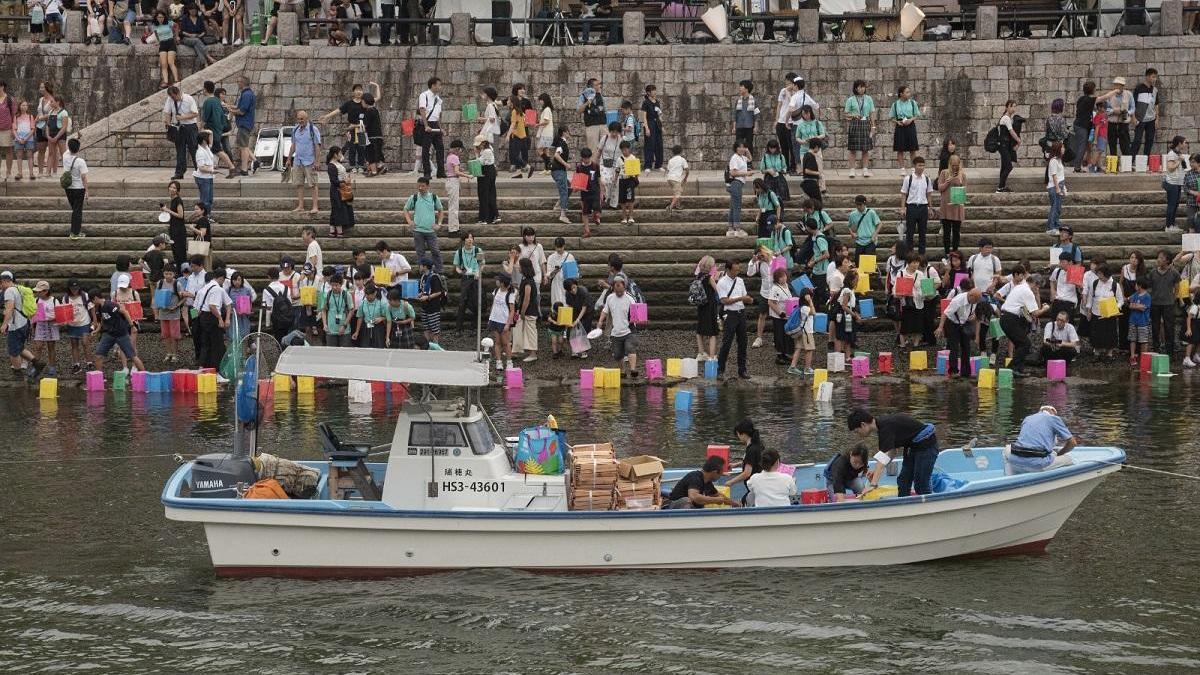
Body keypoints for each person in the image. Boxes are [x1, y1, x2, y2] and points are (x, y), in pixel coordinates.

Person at [847, 408, 939, 497]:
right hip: (912, 447)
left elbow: (883, 457)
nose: (858, 434)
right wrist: (876, 472)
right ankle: (903, 506)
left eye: (857, 431)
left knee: (921, 483)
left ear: (863, 425)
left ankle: (928, 507)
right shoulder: (881, 427)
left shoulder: (885, 427)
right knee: (903, 481)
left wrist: (873, 484)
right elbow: (892, 452)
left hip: (927, 446)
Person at [999, 264, 1050, 376]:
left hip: (1006, 318)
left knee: (1020, 344)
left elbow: (1023, 309)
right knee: (1025, 344)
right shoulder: (1027, 291)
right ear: (1035, 284)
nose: (1037, 290)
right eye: (1038, 287)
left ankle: (1019, 369)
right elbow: (1035, 313)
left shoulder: (1019, 286)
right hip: (1010, 319)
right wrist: (1045, 309)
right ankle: (1011, 368)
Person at [1007, 406, 1077, 475]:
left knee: (1007, 449)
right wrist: (1060, 454)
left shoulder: (1027, 418)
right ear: (1053, 411)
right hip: (1037, 465)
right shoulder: (1053, 418)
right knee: (1068, 459)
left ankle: (1009, 477)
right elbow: (1072, 443)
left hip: (1014, 462)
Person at [89, 288, 145, 374]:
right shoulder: (99, 308)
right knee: (98, 355)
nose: (92, 303)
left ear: (95, 298)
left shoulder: (110, 305)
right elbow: (103, 320)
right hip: (108, 334)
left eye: (92, 300)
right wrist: (97, 330)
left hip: (121, 333)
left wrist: (132, 326)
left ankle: (145, 375)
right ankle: (99, 379)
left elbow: (125, 312)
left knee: (132, 356)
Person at [1, 271, 43, 380]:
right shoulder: (18, 288)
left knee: (13, 351)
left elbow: (9, 308)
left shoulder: (9, 291)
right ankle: (37, 364)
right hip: (24, 322)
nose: (1, 285)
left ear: (6, 281)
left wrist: (4, 324)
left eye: (1, 283)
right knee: (19, 348)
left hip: (16, 325)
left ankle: (18, 374)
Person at [716, 259, 753, 380]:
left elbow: (744, 296)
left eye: (738, 270)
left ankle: (742, 370)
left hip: (740, 312)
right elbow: (724, 300)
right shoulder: (721, 283)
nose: (737, 272)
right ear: (728, 269)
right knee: (727, 342)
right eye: (735, 270)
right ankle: (720, 370)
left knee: (743, 342)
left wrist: (748, 299)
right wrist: (741, 298)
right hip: (729, 314)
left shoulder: (740, 281)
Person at [596, 274, 638, 378]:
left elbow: (636, 312)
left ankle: (633, 370)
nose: (619, 291)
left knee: (630, 348)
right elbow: (605, 311)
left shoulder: (630, 298)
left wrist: (639, 319)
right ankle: (623, 371)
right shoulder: (610, 298)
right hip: (616, 331)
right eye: (616, 288)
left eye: (620, 288)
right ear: (613, 287)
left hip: (629, 329)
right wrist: (600, 322)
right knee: (618, 354)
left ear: (624, 286)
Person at [936, 283, 981, 378]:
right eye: (975, 300)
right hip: (952, 323)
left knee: (966, 347)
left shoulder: (975, 301)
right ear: (970, 295)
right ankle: (953, 371)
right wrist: (940, 327)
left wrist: (973, 316)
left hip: (964, 323)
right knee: (954, 347)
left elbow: (974, 315)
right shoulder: (958, 300)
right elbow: (945, 313)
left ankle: (966, 372)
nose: (976, 302)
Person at [403, 177, 444, 274]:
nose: (420, 188)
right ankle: (423, 272)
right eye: (419, 186)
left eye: (423, 186)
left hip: (430, 231)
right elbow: (406, 209)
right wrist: (409, 221)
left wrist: (439, 224)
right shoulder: (414, 197)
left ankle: (439, 271)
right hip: (418, 231)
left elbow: (441, 210)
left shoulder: (434, 197)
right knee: (420, 253)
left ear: (428, 186)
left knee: (435, 251)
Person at [664, 456, 737, 509]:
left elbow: (720, 496)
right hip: (675, 507)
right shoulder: (695, 477)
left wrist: (735, 504)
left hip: (691, 509)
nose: (721, 476)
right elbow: (694, 497)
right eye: (720, 473)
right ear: (714, 472)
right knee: (686, 501)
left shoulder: (707, 482)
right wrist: (715, 500)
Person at [1084, 263, 1123, 359]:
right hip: (1096, 312)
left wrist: (1115, 308)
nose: (1099, 276)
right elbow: (1090, 297)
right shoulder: (1095, 283)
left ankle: (1109, 353)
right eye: (1098, 274)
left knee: (1110, 333)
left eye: (1101, 274)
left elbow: (1120, 300)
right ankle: (1096, 352)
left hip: (1109, 314)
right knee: (1096, 333)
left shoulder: (1115, 285)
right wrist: (1088, 310)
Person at [1148, 249, 1182, 357]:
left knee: (1169, 328)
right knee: (1155, 327)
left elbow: (1177, 288)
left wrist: (1173, 298)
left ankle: (1170, 352)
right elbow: (1149, 287)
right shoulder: (1153, 272)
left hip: (1168, 304)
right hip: (1155, 304)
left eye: (1161, 258)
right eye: (1158, 257)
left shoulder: (1174, 272)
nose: (1159, 259)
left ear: (1167, 261)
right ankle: (1156, 350)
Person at [899, 157, 934, 255]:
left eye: (923, 165)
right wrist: (903, 208)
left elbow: (929, 194)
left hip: (923, 207)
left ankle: (921, 255)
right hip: (911, 207)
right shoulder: (908, 179)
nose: (921, 167)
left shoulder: (927, 179)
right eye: (919, 165)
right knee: (910, 233)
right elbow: (904, 193)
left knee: (922, 233)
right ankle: (909, 255)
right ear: (914, 166)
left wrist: (930, 208)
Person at [723, 418, 764, 495]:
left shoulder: (751, 449)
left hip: (754, 488)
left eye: (738, 435)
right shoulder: (758, 444)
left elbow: (747, 473)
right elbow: (752, 461)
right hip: (760, 484)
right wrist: (736, 464)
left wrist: (731, 482)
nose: (738, 437)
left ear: (742, 434)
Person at [844, 79, 875, 178]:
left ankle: (865, 169)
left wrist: (873, 126)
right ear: (855, 88)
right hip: (855, 123)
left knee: (865, 148)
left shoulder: (869, 99)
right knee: (852, 148)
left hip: (866, 123)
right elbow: (846, 114)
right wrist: (853, 116)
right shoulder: (851, 100)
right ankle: (852, 169)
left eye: (862, 87)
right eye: (859, 87)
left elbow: (872, 113)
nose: (861, 89)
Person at [453, 232, 483, 331]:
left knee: (476, 302)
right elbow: (457, 267)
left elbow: (482, 264)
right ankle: (458, 328)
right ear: (464, 240)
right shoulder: (459, 252)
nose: (470, 240)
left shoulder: (478, 250)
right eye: (467, 238)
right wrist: (461, 272)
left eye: (471, 238)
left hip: (475, 278)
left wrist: (478, 272)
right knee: (462, 302)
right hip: (465, 278)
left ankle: (474, 327)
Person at [512, 257, 540, 363]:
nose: (518, 267)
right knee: (518, 329)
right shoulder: (526, 280)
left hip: (529, 311)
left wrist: (522, 311)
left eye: (520, 266)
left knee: (530, 332)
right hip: (526, 310)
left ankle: (533, 353)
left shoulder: (528, 282)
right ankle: (516, 350)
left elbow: (527, 298)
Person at [416, 77, 444, 180]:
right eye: (439, 85)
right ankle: (427, 172)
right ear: (433, 85)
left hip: (435, 124)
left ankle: (441, 172)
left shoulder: (438, 98)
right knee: (426, 149)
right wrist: (426, 125)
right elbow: (422, 110)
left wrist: (440, 128)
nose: (440, 87)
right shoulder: (424, 95)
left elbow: (437, 115)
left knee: (440, 148)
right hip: (426, 124)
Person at [937, 153, 966, 255]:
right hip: (946, 206)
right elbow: (940, 188)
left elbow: (964, 190)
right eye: (953, 165)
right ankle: (946, 252)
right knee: (946, 231)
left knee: (956, 232)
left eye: (956, 165)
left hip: (957, 205)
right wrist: (947, 182)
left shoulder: (962, 174)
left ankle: (955, 252)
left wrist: (960, 182)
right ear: (949, 164)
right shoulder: (944, 173)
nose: (954, 167)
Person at [693, 256, 719, 361]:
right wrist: (716, 279)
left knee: (700, 330)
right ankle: (712, 356)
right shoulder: (709, 278)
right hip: (710, 306)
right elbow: (718, 291)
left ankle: (701, 353)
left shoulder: (698, 276)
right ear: (710, 266)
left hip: (701, 306)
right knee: (712, 332)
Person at [229, 76, 257, 176]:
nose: (237, 83)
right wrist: (228, 106)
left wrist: (230, 111)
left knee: (243, 147)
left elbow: (241, 111)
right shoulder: (247, 94)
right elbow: (238, 107)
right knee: (243, 144)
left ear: (242, 83)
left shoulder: (246, 95)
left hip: (244, 123)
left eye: (238, 82)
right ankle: (255, 161)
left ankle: (244, 169)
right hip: (246, 123)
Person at [61, 138, 88, 240]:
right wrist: (87, 191)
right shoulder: (80, 162)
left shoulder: (65, 157)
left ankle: (77, 230)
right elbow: (84, 177)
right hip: (79, 188)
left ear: (69, 147)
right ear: (78, 149)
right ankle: (74, 233)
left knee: (75, 209)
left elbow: (69, 149)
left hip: (68, 188)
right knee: (77, 211)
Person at [487, 273, 515, 368]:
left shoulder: (510, 294)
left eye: (498, 280)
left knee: (506, 343)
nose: (496, 281)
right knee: (497, 342)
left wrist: (508, 324)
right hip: (495, 319)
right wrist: (490, 317)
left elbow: (512, 311)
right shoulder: (496, 291)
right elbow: (493, 305)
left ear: (503, 283)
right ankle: (499, 361)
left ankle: (509, 361)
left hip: (504, 321)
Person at [726, 142, 753, 237]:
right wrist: (746, 173)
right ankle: (737, 229)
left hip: (738, 184)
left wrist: (747, 150)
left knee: (733, 206)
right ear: (736, 148)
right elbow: (733, 173)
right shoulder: (735, 158)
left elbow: (750, 159)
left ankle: (730, 229)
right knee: (737, 206)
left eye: (743, 147)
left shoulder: (742, 157)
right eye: (740, 147)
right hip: (735, 183)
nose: (742, 149)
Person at [1131, 68, 1159, 158]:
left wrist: (1157, 118)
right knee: (1137, 140)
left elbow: (1156, 104)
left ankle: (1145, 161)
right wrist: (1133, 117)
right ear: (1147, 77)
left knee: (1150, 140)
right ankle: (1131, 160)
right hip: (1140, 118)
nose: (1155, 79)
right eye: (1153, 77)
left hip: (1151, 119)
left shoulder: (1155, 90)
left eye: (1156, 77)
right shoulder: (1139, 88)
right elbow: (1133, 103)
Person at [326, 146, 354, 238]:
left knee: (336, 209)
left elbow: (344, 150)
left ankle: (332, 231)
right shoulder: (331, 166)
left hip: (341, 189)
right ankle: (339, 232)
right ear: (335, 154)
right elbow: (333, 181)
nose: (341, 155)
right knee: (338, 210)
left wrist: (348, 142)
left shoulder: (336, 163)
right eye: (339, 153)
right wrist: (344, 182)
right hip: (337, 191)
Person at [889, 85, 920, 169]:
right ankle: (902, 168)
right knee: (900, 148)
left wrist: (911, 120)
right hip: (900, 126)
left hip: (910, 126)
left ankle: (913, 167)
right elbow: (891, 117)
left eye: (909, 92)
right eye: (907, 92)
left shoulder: (913, 103)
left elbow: (917, 115)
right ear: (901, 94)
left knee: (912, 148)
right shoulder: (895, 104)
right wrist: (897, 122)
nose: (909, 94)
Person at [1163, 136, 1189, 234]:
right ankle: (1168, 226)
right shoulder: (1171, 154)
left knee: (1175, 205)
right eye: (1184, 142)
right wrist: (1179, 160)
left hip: (1177, 183)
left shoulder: (1178, 153)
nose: (1185, 144)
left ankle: (1172, 224)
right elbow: (1170, 168)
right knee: (1171, 205)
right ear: (1179, 143)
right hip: (1172, 183)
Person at [416, 258, 444, 344]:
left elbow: (438, 292)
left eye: (420, 265)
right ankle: (426, 345)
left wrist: (428, 297)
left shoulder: (434, 277)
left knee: (434, 329)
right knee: (426, 327)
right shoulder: (423, 277)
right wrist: (420, 295)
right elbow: (423, 290)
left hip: (433, 307)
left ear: (425, 267)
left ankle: (435, 346)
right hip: (424, 307)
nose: (419, 267)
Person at [474, 135, 500, 225]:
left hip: (487, 172)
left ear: (484, 143)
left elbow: (479, 162)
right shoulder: (486, 150)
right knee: (488, 194)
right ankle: (490, 216)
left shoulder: (487, 151)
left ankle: (486, 217)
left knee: (485, 194)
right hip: (488, 172)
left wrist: (476, 154)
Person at [577, 78, 607, 157]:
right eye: (596, 85)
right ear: (591, 86)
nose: (599, 86)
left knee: (606, 147)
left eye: (599, 84)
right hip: (591, 125)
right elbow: (579, 111)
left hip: (602, 124)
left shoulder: (600, 95)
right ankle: (594, 168)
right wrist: (587, 102)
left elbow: (604, 108)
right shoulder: (583, 96)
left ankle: (604, 168)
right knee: (593, 149)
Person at [548, 126, 572, 224]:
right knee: (564, 191)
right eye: (568, 132)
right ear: (565, 132)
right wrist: (566, 164)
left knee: (569, 187)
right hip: (559, 170)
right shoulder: (562, 143)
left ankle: (558, 205)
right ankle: (563, 215)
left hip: (558, 170)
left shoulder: (562, 142)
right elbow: (556, 155)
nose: (569, 134)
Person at [150, 11, 179, 89]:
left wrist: (176, 36)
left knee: (170, 62)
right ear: (156, 18)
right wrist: (158, 41)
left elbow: (176, 26)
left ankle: (176, 80)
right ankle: (166, 82)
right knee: (164, 64)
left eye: (162, 17)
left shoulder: (169, 22)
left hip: (170, 42)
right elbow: (156, 34)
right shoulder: (154, 26)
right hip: (162, 44)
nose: (161, 19)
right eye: (159, 17)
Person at [445, 139, 469, 231]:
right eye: (460, 150)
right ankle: (453, 229)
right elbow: (456, 172)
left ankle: (455, 227)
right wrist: (468, 175)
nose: (461, 152)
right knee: (454, 207)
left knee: (453, 206)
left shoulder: (449, 157)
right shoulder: (455, 157)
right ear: (457, 149)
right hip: (453, 181)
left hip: (450, 181)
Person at [1106, 76, 1134, 158]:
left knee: (1125, 145)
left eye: (1119, 85)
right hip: (1112, 123)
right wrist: (1114, 111)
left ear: (1123, 86)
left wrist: (1126, 112)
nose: (1117, 87)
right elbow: (1106, 110)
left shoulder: (1129, 94)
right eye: (1116, 85)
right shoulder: (1110, 95)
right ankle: (1114, 166)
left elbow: (1132, 108)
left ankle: (1127, 165)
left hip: (1123, 123)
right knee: (1112, 145)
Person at [1048, 251, 1080, 321]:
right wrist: (1053, 291)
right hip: (1057, 301)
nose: (1060, 264)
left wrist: (1078, 284)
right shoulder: (1057, 271)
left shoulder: (1076, 271)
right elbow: (1051, 280)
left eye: (1063, 262)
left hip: (1069, 302)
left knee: (1067, 324)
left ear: (1070, 262)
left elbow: (1080, 289)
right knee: (1054, 322)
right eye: (1060, 261)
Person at [575, 148, 600, 238]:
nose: (586, 160)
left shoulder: (595, 166)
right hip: (584, 193)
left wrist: (602, 191)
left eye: (588, 158)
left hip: (595, 191)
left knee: (596, 207)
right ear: (582, 158)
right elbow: (577, 181)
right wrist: (576, 188)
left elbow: (599, 179)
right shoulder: (579, 167)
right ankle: (587, 231)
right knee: (585, 212)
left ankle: (596, 216)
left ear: (590, 157)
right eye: (584, 158)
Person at [995, 99, 1019, 193]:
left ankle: (1002, 187)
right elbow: (1011, 132)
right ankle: (1000, 187)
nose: (1014, 108)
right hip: (1003, 146)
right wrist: (1018, 140)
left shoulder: (1008, 118)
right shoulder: (1006, 118)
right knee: (1009, 167)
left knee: (1004, 167)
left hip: (1004, 145)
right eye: (1012, 106)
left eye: (1015, 106)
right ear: (1007, 107)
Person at [1127, 276, 1152, 365]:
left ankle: (1143, 358)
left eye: (1136, 285)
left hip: (1143, 322)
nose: (1135, 286)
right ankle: (1132, 356)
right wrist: (1137, 306)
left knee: (1143, 341)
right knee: (1132, 339)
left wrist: (1135, 305)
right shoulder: (1135, 294)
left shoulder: (1147, 296)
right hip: (1133, 321)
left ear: (1140, 285)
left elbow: (1143, 308)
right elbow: (1130, 305)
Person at [732, 79, 758, 156]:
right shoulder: (738, 100)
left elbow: (756, 115)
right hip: (739, 126)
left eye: (741, 86)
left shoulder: (754, 100)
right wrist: (734, 127)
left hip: (749, 126)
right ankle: (738, 162)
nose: (740, 88)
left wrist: (756, 127)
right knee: (738, 145)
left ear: (747, 88)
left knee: (749, 145)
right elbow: (735, 114)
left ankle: (749, 163)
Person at [1045, 141, 1066, 235]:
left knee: (1058, 208)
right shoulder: (1053, 161)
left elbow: (1061, 175)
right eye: (1062, 147)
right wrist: (1057, 188)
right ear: (1058, 149)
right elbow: (1054, 175)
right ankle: (1051, 227)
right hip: (1054, 186)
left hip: (1060, 185)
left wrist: (1063, 188)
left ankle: (1056, 225)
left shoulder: (1059, 160)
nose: (1063, 149)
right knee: (1055, 207)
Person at [194, 130, 216, 217]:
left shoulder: (206, 148)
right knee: (205, 200)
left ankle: (208, 216)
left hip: (209, 177)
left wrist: (210, 133)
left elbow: (211, 141)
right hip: (203, 178)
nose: (209, 140)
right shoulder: (200, 152)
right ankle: (203, 217)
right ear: (203, 141)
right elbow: (201, 167)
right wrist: (211, 171)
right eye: (207, 138)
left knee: (210, 199)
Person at [617, 141, 639, 224]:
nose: (624, 151)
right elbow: (617, 169)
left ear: (629, 149)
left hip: (630, 179)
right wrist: (615, 180)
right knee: (622, 200)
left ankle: (631, 216)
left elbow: (636, 171)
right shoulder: (619, 159)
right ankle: (624, 216)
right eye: (622, 150)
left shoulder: (633, 158)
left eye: (626, 149)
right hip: (622, 180)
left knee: (630, 199)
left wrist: (636, 177)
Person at [1184, 290, 1200, 368]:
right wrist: (1189, 329)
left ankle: (1196, 355)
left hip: (1198, 325)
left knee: (1198, 340)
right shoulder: (1195, 307)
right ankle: (1187, 358)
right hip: (1193, 325)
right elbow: (1189, 318)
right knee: (1191, 341)